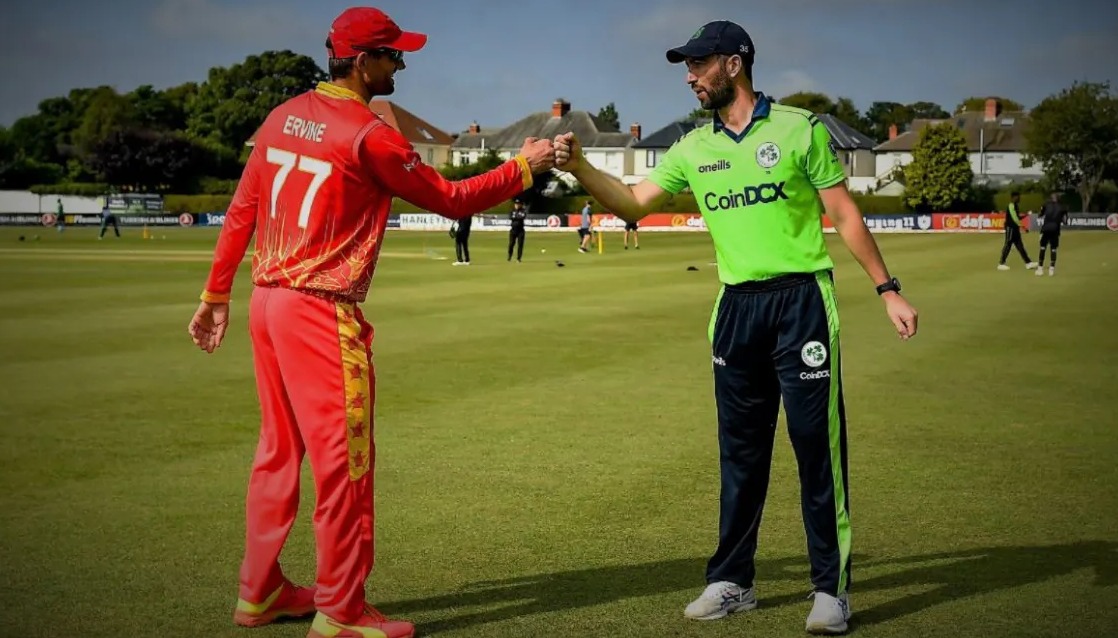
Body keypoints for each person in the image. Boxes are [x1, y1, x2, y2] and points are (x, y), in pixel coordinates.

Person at [186, 7, 554, 638]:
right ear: (361, 63)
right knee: (345, 465)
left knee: (278, 452)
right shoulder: (370, 135)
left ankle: (260, 590)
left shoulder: (281, 117)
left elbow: (243, 207)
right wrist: (524, 167)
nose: (400, 65)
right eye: (392, 55)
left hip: (268, 303)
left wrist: (216, 292)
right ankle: (341, 611)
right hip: (319, 312)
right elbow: (450, 198)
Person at [553, 19, 918, 635]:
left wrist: (887, 289)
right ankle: (732, 582)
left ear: (734, 63)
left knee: (817, 450)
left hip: (802, 302)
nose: (690, 76)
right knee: (741, 454)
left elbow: (844, 213)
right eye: (687, 67)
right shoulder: (693, 147)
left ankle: (831, 591)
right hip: (736, 309)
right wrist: (582, 166)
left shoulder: (800, 129)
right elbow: (633, 203)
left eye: (699, 64)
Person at [998, 192, 1038, 271]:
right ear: (1014, 197)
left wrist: (1025, 215)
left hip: (1015, 229)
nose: (1019, 198)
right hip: (1010, 228)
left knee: (1020, 246)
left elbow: (1017, 217)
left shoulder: (1015, 205)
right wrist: (1022, 226)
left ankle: (1028, 263)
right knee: (1008, 245)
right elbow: (1014, 218)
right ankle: (1001, 263)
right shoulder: (1011, 205)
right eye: (1018, 197)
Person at [1036, 192, 1068, 277]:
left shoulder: (1046, 204)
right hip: (1055, 230)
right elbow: (1065, 221)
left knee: (1043, 248)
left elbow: (1040, 214)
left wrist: (1042, 212)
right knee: (1053, 249)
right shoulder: (1063, 207)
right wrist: (1060, 219)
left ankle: (1040, 269)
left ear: (1051, 198)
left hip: (1045, 229)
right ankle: (1051, 270)